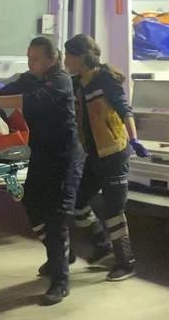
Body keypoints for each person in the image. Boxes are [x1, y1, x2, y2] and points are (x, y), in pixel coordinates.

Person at [0, 37, 83, 305]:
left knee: (56, 216)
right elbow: (8, 93)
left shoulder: (61, 80)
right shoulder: (28, 79)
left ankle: (60, 281)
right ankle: (61, 254)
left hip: (63, 158)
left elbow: (32, 101)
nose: (30, 63)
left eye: (36, 59)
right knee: (32, 205)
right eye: (28, 58)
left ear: (52, 59)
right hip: (40, 156)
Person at [63, 34, 148, 282]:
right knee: (79, 203)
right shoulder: (75, 83)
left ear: (81, 58)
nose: (66, 60)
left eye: (69, 55)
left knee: (114, 210)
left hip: (114, 154)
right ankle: (103, 248)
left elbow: (124, 110)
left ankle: (126, 262)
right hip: (93, 155)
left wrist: (134, 139)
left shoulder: (105, 80)